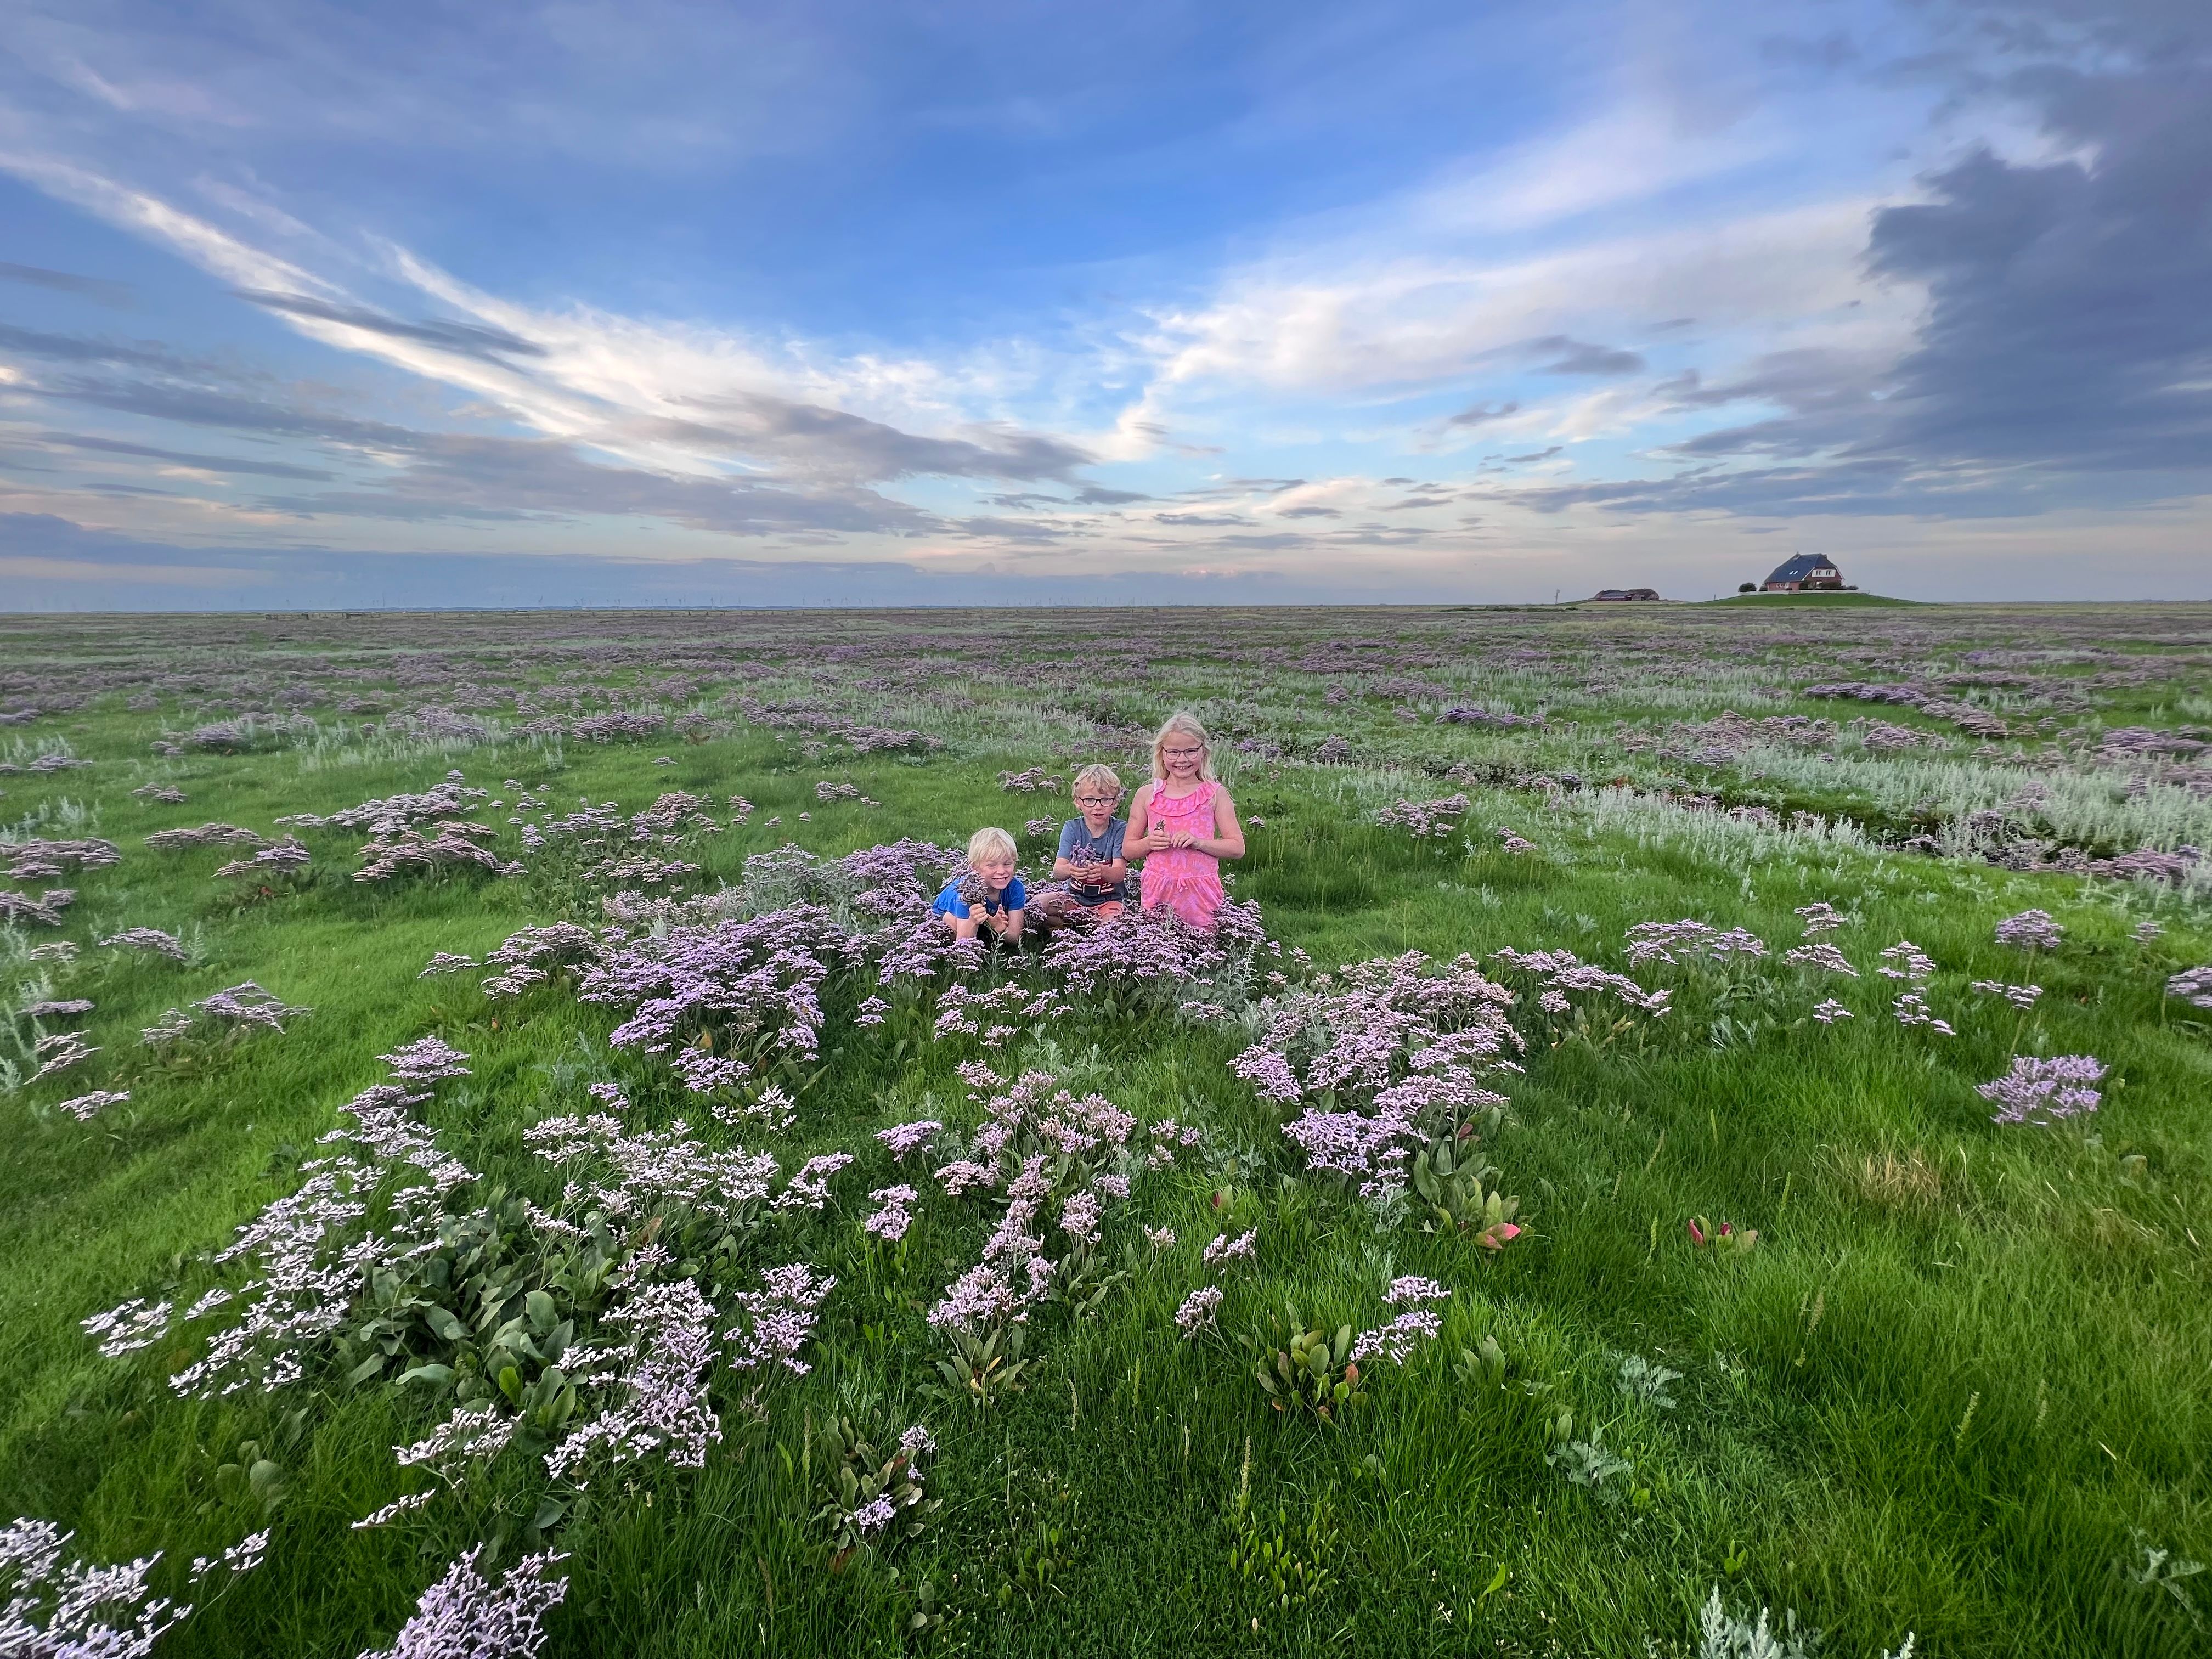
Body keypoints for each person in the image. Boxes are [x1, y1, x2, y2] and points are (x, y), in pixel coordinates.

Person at [1125, 712, 1245, 930]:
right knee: (1156, 950)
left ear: (1203, 751)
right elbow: (1128, 850)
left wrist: (1199, 842)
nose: (1182, 760)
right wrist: (1149, 843)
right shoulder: (1147, 795)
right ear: (1162, 753)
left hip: (1201, 891)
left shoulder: (1215, 794)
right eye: (1174, 752)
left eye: (1191, 751)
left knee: (1203, 951)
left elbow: (1237, 847)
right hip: (1157, 888)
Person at [1041, 764, 1130, 923]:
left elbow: (1119, 873)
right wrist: (1071, 869)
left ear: (1116, 802)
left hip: (1108, 902)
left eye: (1106, 800)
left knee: (1111, 925)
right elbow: (1058, 872)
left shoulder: (1120, 829)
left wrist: (1102, 871)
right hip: (1073, 899)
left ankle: (1087, 927)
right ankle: (1071, 928)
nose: (1098, 807)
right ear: (1077, 802)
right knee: (1036, 906)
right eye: (1090, 800)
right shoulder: (1072, 828)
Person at [931, 827, 1026, 943]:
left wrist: (999, 929)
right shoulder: (966, 891)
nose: (1001, 871)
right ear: (975, 867)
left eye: (1007, 864)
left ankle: (984, 931)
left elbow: (1015, 937)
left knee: (986, 931)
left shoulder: (1015, 888)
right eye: (992, 865)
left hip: (984, 921)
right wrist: (973, 921)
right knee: (951, 923)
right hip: (943, 916)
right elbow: (963, 943)